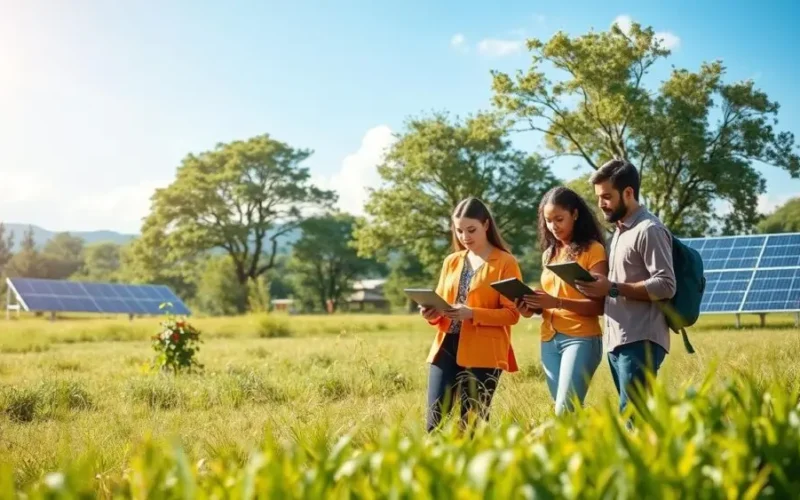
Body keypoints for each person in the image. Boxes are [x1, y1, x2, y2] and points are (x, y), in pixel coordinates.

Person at [575, 159, 676, 415]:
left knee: (633, 417)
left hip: (641, 338)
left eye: (607, 196)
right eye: (598, 197)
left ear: (628, 193)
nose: (601, 204)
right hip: (617, 340)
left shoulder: (649, 229)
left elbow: (666, 285)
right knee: (633, 415)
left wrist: (613, 288)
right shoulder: (619, 232)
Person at [420, 197, 522, 432]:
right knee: (434, 424)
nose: (465, 236)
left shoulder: (505, 262)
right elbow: (440, 303)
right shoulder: (452, 261)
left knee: (472, 426)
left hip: (485, 351)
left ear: (486, 225)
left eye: (471, 229)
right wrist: (430, 311)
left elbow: (512, 314)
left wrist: (471, 313)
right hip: (446, 345)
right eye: (459, 231)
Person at [516, 186, 608, 416]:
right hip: (549, 340)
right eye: (548, 221)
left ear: (575, 214)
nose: (553, 226)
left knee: (564, 411)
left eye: (559, 219)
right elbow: (548, 302)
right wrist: (531, 306)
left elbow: (600, 306)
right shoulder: (550, 253)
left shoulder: (593, 250)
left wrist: (556, 302)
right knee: (569, 413)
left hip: (581, 339)